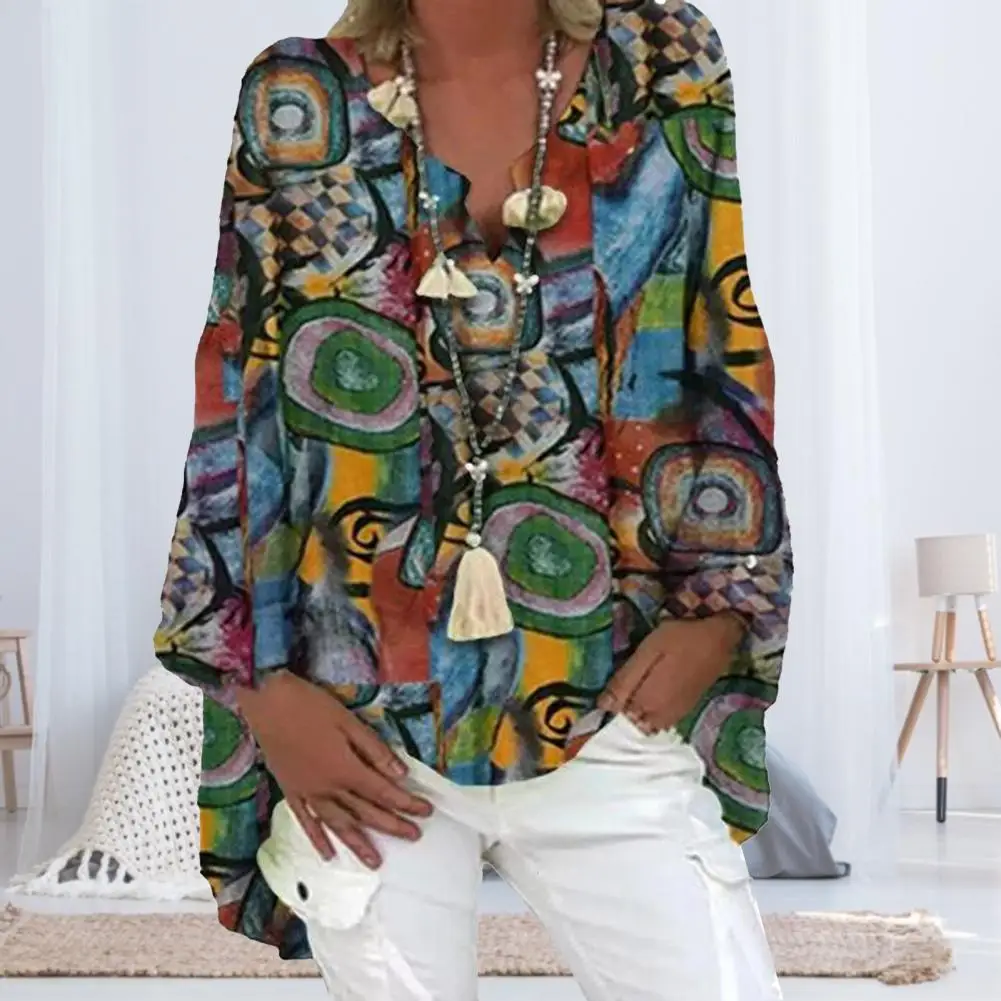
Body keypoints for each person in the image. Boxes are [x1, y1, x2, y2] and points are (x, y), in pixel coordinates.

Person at [154, 0, 793, 997]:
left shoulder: (661, 58)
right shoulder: (297, 96)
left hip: (606, 684)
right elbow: (237, 394)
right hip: (355, 716)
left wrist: (724, 604)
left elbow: (716, 329)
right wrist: (261, 690)